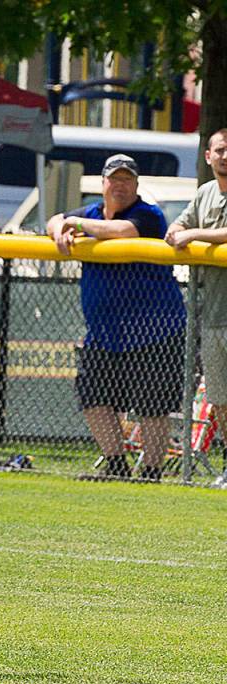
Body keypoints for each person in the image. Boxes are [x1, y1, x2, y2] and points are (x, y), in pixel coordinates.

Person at [47, 154, 186, 482]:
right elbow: (54, 219)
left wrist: (76, 225)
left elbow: (124, 231)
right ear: (103, 183)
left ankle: (151, 471)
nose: (120, 185)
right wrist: (59, 229)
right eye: (115, 179)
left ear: (136, 185)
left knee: (152, 405)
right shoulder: (92, 212)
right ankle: (116, 464)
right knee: (93, 398)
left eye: (127, 179)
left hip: (155, 329)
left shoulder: (147, 214)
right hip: (105, 333)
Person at [165, 129, 227, 487]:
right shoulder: (204, 193)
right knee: (220, 399)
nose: (225, 155)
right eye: (219, 150)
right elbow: (181, 224)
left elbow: (193, 233)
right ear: (208, 156)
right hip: (215, 314)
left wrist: (193, 236)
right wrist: (178, 230)